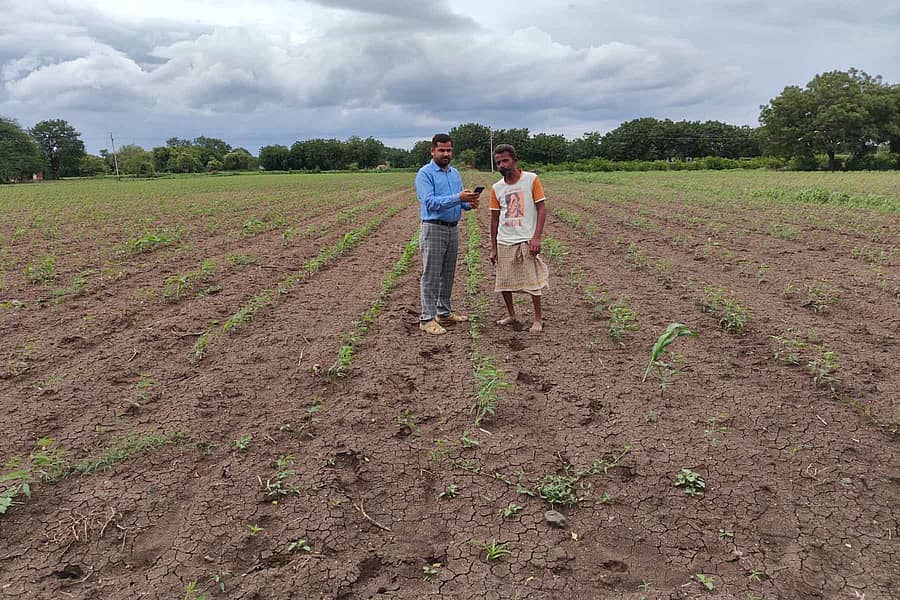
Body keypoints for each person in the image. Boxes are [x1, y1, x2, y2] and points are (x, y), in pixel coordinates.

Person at [414, 133, 482, 335]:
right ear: (433, 151)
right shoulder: (425, 174)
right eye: (441, 150)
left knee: (448, 273)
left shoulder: (454, 174)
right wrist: (458, 197)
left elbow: (458, 202)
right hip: (434, 227)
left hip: (453, 228)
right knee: (431, 274)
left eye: (449, 150)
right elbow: (430, 203)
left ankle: (443, 312)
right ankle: (427, 318)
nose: (445, 153)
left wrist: (468, 203)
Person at [489, 143, 548, 333]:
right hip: (505, 240)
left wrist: (536, 237)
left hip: (526, 239)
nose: (502, 165)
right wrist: (493, 247)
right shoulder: (496, 188)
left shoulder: (531, 179)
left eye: (505, 161)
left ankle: (538, 319)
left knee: (532, 282)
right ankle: (512, 314)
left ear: (514, 160)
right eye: (498, 162)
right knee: (504, 281)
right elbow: (494, 219)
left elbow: (541, 208)